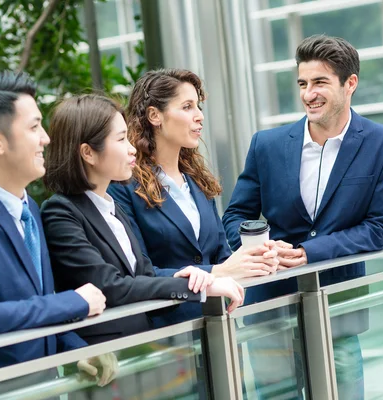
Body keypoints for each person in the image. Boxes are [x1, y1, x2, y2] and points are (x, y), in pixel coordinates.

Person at [222, 35, 383, 399]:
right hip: (269, 307)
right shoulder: (266, 145)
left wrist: (309, 253)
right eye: (303, 83)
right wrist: (258, 250)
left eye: (320, 82)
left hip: (338, 308)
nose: (308, 94)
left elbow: (378, 229)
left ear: (350, 83)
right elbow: (236, 214)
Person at [0, 71, 114, 395]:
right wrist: (74, 302)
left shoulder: (29, 208)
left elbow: (34, 304)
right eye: (33, 127)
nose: (45, 138)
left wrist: (77, 348)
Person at [41, 94, 244, 345]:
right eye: (120, 139)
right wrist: (195, 288)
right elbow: (110, 286)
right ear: (88, 153)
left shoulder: (113, 208)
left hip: (144, 348)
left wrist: (189, 277)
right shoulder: (60, 212)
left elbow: (145, 275)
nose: (131, 148)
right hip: (105, 356)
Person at [108, 68, 278, 327]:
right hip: (167, 334)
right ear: (155, 115)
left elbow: (221, 255)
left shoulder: (197, 180)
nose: (199, 117)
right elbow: (140, 273)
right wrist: (218, 272)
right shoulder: (123, 187)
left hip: (219, 325)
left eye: (198, 107)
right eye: (187, 107)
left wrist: (256, 260)